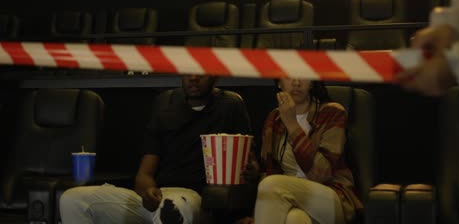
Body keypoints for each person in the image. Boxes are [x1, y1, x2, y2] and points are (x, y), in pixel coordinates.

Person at [59, 74, 251, 224]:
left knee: (173, 207)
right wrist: (148, 190)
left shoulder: (230, 105)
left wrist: (251, 172)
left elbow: (250, 164)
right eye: (188, 71)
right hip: (156, 197)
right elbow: (144, 174)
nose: (193, 77)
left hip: (194, 198)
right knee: (73, 199)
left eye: (201, 72)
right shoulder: (164, 104)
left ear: (215, 76)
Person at [239, 78, 363, 224]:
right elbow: (270, 171)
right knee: (295, 219)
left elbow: (321, 174)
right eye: (289, 76)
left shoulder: (332, 112)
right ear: (279, 83)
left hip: (331, 196)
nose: (296, 82)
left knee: (271, 183)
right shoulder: (274, 118)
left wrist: (292, 125)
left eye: (302, 75)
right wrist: (254, 172)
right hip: (287, 199)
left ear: (311, 82)